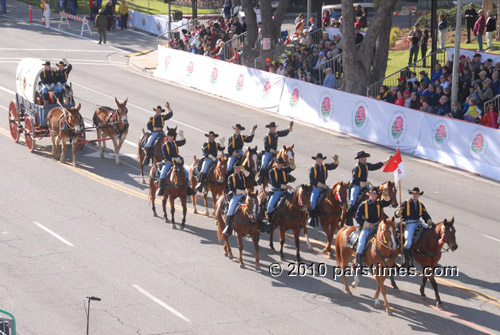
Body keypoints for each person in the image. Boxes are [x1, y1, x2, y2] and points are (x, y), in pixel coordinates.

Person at [346, 151, 387, 226]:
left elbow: (375, 166)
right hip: (357, 185)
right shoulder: (356, 168)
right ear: (360, 159)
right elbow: (355, 180)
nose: (366, 159)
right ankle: (348, 217)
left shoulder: (366, 165)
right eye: (364, 157)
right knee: (353, 200)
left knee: (375, 193)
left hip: (365, 184)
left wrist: (386, 161)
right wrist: (363, 183)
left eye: (365, 157)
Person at [395, 187, 433, 268]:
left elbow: (425, 215)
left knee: (429, 232)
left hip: (418, 222)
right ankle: (406, 260)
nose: (415, 195)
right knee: (408, 242)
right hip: (409, 224)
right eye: (414, 193)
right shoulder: (405, 203)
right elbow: (396, 214)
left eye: (417, 194)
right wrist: (398, 213)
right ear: (411, 194)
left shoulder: (420, 205)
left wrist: (428, 220)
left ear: (419, 195)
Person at [354, 188, 392, 269]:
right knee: (361, 243)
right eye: (371, 194)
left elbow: (387, 202)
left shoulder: (379, 203)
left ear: (377, 196)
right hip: (366, 227)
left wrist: (386, 196)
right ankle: (358, 261)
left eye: (374, 194)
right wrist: (366, 224)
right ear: (369, 194)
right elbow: (357, 217)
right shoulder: (363, 205)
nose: (373, 196)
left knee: (387, 238)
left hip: (377, 226)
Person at [157, 128, 195, 196]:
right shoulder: (164, 146)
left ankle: (188, 188)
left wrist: (182, 136)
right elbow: (166, 156)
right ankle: (160, 188)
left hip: (177, 162)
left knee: (186, 173)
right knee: (163, 174)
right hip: (169, 162)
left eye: (172, 137)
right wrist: (173, 159)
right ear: (167, 137)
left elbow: (182, 142)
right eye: (169, 137)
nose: (170, 138)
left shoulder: (175, 143)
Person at [307, 153, 339, 227]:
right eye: (318, 159)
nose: (319, 160)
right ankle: (312, 216)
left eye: (320, 159)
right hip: (316, 187)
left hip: (324, 186)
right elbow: (312, 181)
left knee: (334, 195)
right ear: (316, 160)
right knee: (312, 201)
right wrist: (322, 185)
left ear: (322, 160)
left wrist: (336, 161)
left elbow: (332, 166)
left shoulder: (325, 166)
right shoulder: (312, 169)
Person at [266, 157, 294, 225]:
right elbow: (274, 183)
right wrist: (286, 186)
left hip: (285, 190)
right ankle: (269, 221)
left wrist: (292, 162)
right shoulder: (271, 171)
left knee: (294, 202)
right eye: (278, 163)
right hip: (276, 191)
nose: (279, 165)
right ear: (276, 163)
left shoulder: (284, 170)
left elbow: (292, 167)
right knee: (270, 207)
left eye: (280, 164)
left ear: (282, 164)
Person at [223, 163, 248, 235]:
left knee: (254, 204)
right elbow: (231, 188)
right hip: (235, 195)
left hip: (244, 194)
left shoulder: (242, 176)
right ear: (234, 169)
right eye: (235, 168)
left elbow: (249, 176)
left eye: (238, 168)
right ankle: (227, 227)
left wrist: (244, 170)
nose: (237, 169)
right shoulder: (231, 177)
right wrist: (241, 191)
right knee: (230, 210)